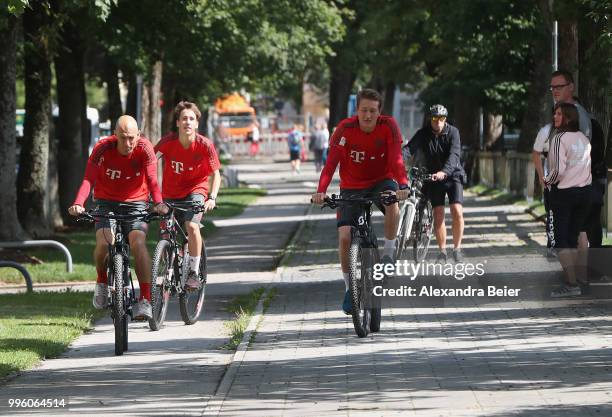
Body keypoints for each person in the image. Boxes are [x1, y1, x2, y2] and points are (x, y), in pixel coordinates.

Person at [311, 88, 409, 315]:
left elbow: (396, 158)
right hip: (352, 185)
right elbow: (330, 164)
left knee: (391, 202)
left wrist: (402, 185)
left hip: (382, 180)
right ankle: (348, 289)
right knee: (345, 236)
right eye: (364, 110)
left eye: (372, 111)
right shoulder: (344, 129)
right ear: (357, 111)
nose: (368, 115)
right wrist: (321, 191)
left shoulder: (389, 126)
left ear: (379, 112)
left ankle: (388, 254)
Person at [68, 115, 168, 320]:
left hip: (137, 203)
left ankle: (146, 299)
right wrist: (79, 203)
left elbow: (152, 179)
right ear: (115, 135)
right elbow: (89, 178)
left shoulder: (145, 148)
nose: (128, 143)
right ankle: (102, 281)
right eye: (123, 138)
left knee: (138, 243)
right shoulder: (102, 147)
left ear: (138, 135)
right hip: (106, 202)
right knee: (104, 243)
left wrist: (158, 203)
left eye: (132, 137)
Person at [155, 101, 221, 290]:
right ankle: (167, 269)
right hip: (170, 194)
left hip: (196, 191)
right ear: (177, 123)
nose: (188, 122)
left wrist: (212, 197)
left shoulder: (204, 145)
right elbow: (150, 162)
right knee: (166, 233)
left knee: (192, 226)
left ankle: (193, 272)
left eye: (192, 119)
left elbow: (216, 174)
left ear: (197, 124)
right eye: (184, 118)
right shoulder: (168, 143)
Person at [404, 104, 466, 264]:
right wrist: (397, 160)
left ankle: (457, 249)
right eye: (435, 118)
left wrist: (444, 172)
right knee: (438, 213)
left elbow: (454, 155)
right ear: (429, 119)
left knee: (456, 210)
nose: (438, 121)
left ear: (445, 119)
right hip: (433, 177)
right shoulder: (423, 134)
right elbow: (409, 149)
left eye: (442, 118)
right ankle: (443, 252)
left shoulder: (453, 132)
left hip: (452, 176)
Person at [545, 102, 592, 297]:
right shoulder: (583, 138)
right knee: (573, 238)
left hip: (564, 194)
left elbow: (558, 170)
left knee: (561, 239)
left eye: (558, 114)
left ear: (568, 118)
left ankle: (571, 284)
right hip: (585, 193)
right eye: (554, 113)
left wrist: (547, 180)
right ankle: (578, 281)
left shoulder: (559, 139)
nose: (555, 117)